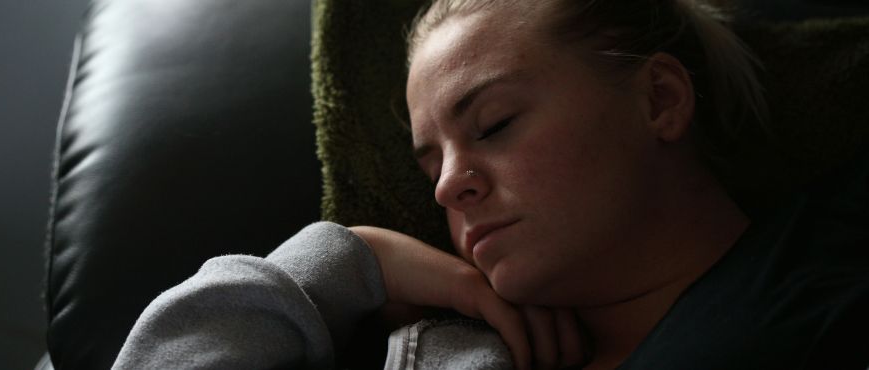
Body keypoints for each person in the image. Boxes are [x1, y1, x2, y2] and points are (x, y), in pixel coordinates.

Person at [112, 0, 869, 369]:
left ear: (660, 100)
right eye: (430, 162)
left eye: (496, 124)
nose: (447, 188)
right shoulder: (423, 349)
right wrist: (344, 264)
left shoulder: (827, 266)